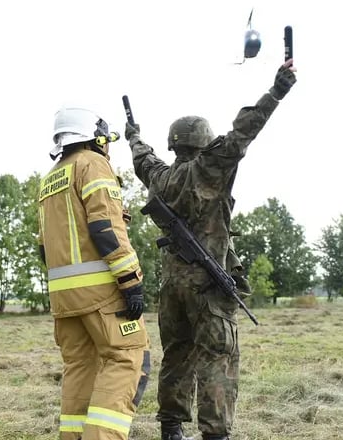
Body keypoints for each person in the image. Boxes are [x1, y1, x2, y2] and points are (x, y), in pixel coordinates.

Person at [125, 60, 297, 440]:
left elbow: (142, 158)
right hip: (208, 288)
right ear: (204, 142)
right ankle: (215, 435)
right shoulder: (211, 166)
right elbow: (243, 131)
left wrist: (133, 135)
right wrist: (277, 92)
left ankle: (171, 429)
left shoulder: (161, 176)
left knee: (176, 356)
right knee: (218, 359)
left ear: (174, 143)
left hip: (172, 287)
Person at [39, 106, 151, 440]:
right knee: (126, 359)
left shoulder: (50, 179)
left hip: (64, 299)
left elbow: (45, 247)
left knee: (80, 367)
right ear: (94, 136)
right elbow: (105, 228)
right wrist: (130, 281)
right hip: (103, 293)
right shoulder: (94, 165)